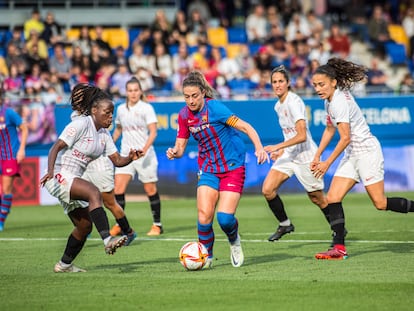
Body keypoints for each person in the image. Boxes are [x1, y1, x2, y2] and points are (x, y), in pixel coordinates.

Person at [310, 58, 414, 260]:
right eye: (314, 85)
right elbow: (330, 129)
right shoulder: (329, 100)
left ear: (333, 82)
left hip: (366, 151)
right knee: (332, 198)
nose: (317, 89)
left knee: (380, 203)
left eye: (321, 84)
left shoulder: (339, 101)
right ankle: (339, 249)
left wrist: (326, 163)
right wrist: (317, 154)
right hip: (352, 153)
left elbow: (346, 138)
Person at [166, 71, 269, 268]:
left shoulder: (215, 109)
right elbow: (180, 147)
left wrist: (258, 147)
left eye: (194, 95)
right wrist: (174, 152)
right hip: (208, 168)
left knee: (224, 218)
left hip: (232, 167)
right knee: (204, 215)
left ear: (203, 93)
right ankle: (207, 258)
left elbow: (246, 127)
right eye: (186, 96)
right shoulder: (183, 116)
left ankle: (234, 241)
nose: (191, 101)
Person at [40, 84, 143, 272]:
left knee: (84, 226)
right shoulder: (80, 124)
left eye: (112, 113)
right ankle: (107, 239)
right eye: (107, 113)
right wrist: (49, 171)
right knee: (94, 192)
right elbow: (55, 147)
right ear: (94, 111)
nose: (110, 117)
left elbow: (118, 160)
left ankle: (64, 265)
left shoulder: (104, 135)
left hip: (72, 179)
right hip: (59, 175)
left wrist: (130, 157)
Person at [262, 65, 330, 242]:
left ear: (288, 83)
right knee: (268, 190)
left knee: (317, 198)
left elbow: (301, 135)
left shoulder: (294, 102)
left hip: (306, 155)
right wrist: (283, 150)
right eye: (274, 82)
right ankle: (285, 224)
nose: (277, 85)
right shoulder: (278, 106)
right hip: (289, 155)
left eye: (281, 81)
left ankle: (338, 228)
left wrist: (278, 146)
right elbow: (290, 133)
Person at [70, 86, 137, 246]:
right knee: (83, 200)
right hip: (84, 164)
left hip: (100, 163)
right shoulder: (76, 116)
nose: (76, 98)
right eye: (75, 95)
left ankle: (128, 231)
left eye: (80, 96)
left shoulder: (97, 112)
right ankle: (85, 231)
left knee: (109, 202)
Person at [111, 77, 163, 237]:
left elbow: (153, 131)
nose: (133, 93)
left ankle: (157, 225)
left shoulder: (146, 108)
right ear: (126, 92)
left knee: (150, 189)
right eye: (130, 90)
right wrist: (110, 144)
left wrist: (144, 149)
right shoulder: (120, 109)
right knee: (118, 189)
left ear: (140, 91)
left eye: (136, 90)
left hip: (144, 155)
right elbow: (119, 129)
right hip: (126, 155)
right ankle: (120, 225)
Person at [0, 84, 29, 231]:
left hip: (10, 155)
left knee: (6, 189)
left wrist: (22, 149)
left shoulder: (8, 113)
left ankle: (1, 222)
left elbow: (24, 128)